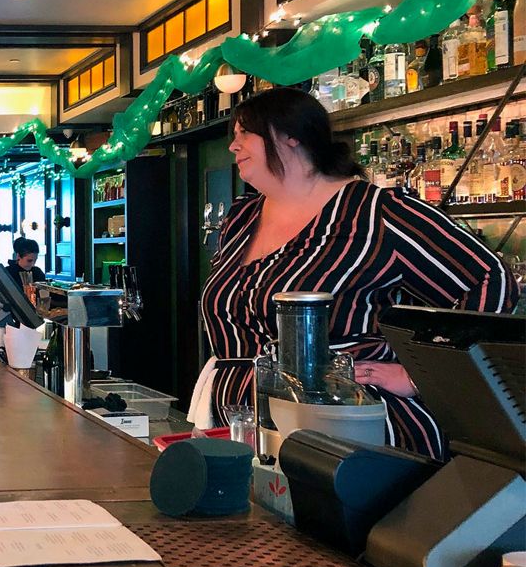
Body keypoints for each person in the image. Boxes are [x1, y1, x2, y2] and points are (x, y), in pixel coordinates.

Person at [195, 87, 518, 460]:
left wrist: (420, 375)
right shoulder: (242, 217)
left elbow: (489, 278)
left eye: (244, 134)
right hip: (244, 426)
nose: (233, 146)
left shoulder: (376, 213)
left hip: (346, 436)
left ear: (292, 136)